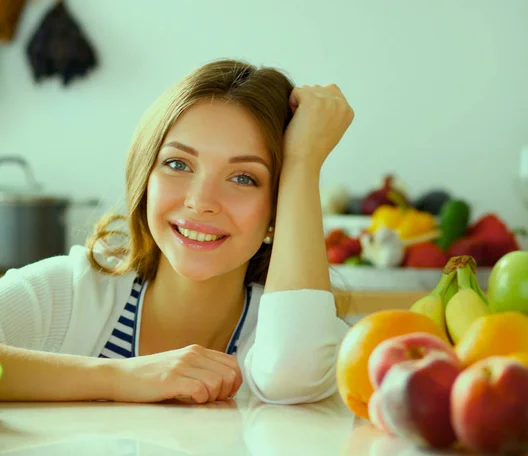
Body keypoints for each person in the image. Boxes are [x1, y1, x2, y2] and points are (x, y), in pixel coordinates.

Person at [0, 59, 355, 405]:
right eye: (178, 164)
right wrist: (122, 377)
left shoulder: (299, 328)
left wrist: (304, 160)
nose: (201, 201)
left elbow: (293, 377)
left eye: (244, 177)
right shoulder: (70, 294)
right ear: (145, 176)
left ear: (279, 209)